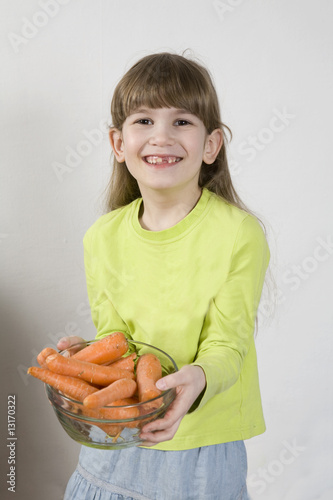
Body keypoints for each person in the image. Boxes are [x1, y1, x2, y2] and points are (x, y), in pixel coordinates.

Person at [59, 51, 270, 500]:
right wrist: (88, 360)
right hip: (116, 438)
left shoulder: (238, 234)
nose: (161, 137)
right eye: (144, 121)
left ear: (211, 145)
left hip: (201, 452)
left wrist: (196, 379)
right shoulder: (101, 237)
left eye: (182, 122)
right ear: (118, 143)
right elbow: (118, 338)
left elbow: (228, 345)